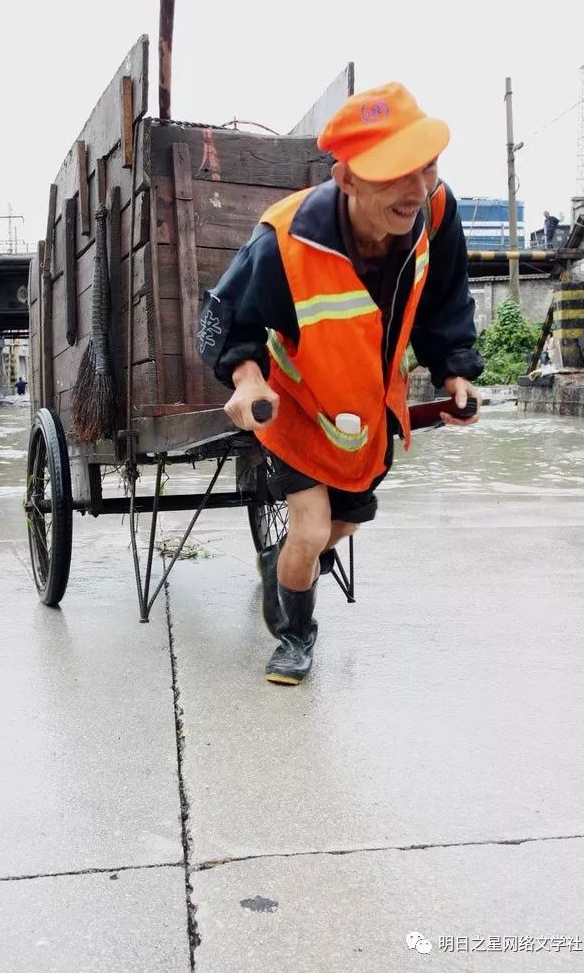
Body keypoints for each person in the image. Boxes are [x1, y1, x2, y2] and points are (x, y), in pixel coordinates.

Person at [198, 82, 484, 686]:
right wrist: (247, 381)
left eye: (427, 167)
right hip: (297, 407)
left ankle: (282, 565)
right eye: (396, 175)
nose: (417, 189)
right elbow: (230, 318)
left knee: (341, 526)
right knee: (309, 527)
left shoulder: (435, 211)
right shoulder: (286, 239)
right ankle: (295, 639)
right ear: (347, 179)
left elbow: (446, 297)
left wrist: (454, 369)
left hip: (368, 412)